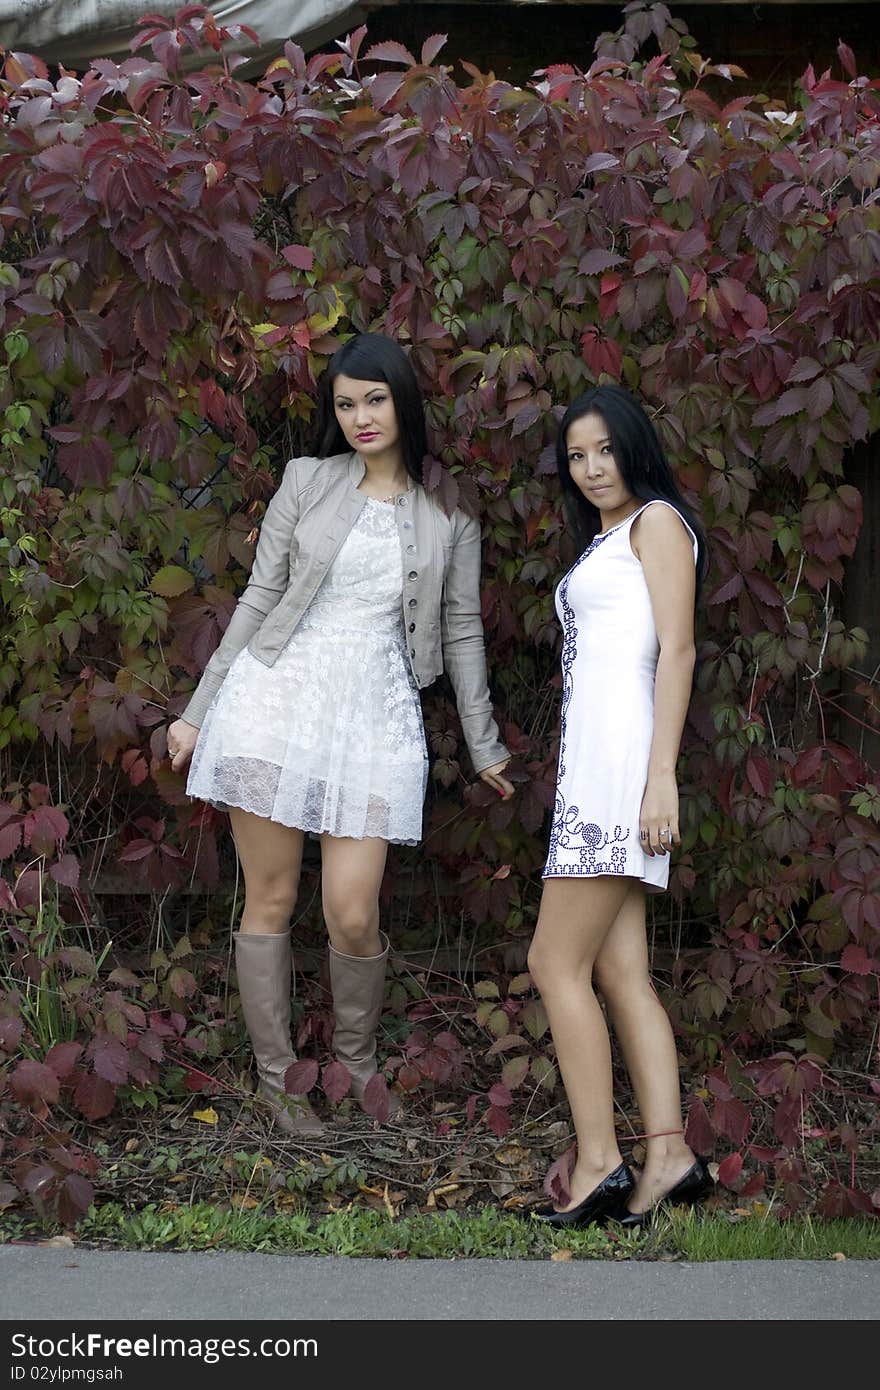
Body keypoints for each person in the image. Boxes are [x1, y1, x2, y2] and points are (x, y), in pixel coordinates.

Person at [166, 333, 513, 1137]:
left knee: (353, 913)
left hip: (374, 712)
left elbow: (462, 634)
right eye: (346, 403)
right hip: (277, 698)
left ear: (404, 402)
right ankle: (280, 1083)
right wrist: (196, 709)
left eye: (376, 399)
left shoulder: (446, 516)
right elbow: (258, 598)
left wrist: (484, 738)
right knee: (274, 896)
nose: (360, 416)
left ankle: (357, 1069)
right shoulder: (305, 481)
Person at [527, 384, 712, 1227]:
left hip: (622, 771)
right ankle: (667, 1153)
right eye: (577, 455)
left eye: (605, 449)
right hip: (596, 770)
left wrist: (660, 778)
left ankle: (601, 1158)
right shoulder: (604, 537)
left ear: (632, 446)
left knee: (551, 964)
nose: (592, 467)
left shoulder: (658, 523)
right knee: (617, 969)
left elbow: (677, 650)